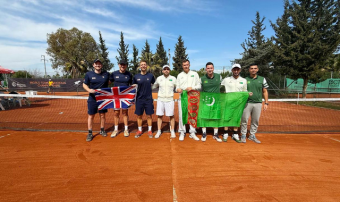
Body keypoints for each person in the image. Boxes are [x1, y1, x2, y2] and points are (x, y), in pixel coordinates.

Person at [240, 64, 269, 144]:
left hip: (258, 103)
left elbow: (265, 91)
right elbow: (242, 92)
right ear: (249, 70)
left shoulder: (262, 79)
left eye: (255, 68)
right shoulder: (245, 79)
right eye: (251, 68)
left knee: (255, 120)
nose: (253, 70)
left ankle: (252, 135)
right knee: (244, 119)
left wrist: (266, 103)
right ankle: (243, 134)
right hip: (247, 103)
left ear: (257, 69)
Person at [83, 59, 110, 142]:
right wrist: (89, 90)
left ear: (101, 65)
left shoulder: (106, 74)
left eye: (99, 64)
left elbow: (109, 82)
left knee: (102, 115)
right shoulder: (89, 74)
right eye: (96, 64)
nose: (98, 65)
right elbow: (84, 84)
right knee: (91, 115)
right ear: (93, 65)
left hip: (102, 98)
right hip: (92, 98)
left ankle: (102, 130)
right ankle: (90, 132)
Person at [221, 64, 247, 143]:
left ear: (240, 70)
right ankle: (225, 133)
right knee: (226, 117)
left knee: (236, 118)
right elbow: (221, 89)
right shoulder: (226, 80)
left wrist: (248, 94)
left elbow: (244, 92)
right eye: (234, 69)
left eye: (237, 69)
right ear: (232, 70)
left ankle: (235, 134)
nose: (236, 71)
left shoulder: (244, 80)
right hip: (228, 102)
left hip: (238, 103)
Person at [176, 59, 201, 141]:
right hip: (182, 97)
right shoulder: (179, 75)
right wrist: (178, 89)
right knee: (181, 114)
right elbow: (177, 87)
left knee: (192, 114)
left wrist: (192, 88)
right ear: (182, 66)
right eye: (184, 65)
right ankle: (182, 132)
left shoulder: (195, 74)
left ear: (189, 65)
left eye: (187, 65)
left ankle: (192, 132)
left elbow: (199, 86)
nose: (186, 66)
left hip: (193, 98)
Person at [200, 62, 223, 142]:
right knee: (204, 117)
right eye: (208, 68)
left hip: (216, 101)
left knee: (215, 117)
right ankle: (204, 133)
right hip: (206, 101)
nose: (210, 69)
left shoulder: (219, 77)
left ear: (213, 68)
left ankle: (216, 134)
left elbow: (222, 87)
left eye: (211, 68)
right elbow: (200, 90)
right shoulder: (202, 79)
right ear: (206, 69)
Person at [109, 59, 133, 138]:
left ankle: (126, 129)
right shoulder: (114, 74)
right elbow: (108, 82)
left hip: (125, 97)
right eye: (121, 64)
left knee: (125, 113)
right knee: (116, 113)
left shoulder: (129, 74)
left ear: (126, 66)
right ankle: (116, 129)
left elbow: (132, 85)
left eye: (124, 64)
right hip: (116, 97)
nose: (123, 66)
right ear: (119, 65)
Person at [132, 60, 155, 138]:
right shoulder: (136, 77)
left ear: (147, 66)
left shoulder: (151, 76)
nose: (143, 66)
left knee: (149, 116)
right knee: (139, 116)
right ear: (140, 66)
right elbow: (133, 87)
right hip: (139, 99)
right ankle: (139, 130)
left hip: (148, 99)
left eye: (144, 64)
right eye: (142, 65)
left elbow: (154, 84)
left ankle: (149, 130)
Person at [152, 65, 177, 139]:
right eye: (165, 69)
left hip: (170, 100)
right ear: (162, 71)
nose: (166, 70)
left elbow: (178, 86)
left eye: (168, 69)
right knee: (159, 115)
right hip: (160, 99)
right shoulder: (159, 78)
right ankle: (159, 130)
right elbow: (154, 86)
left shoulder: (173, 78)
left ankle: (172, 130)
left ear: (169, 70)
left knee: (171, 116)